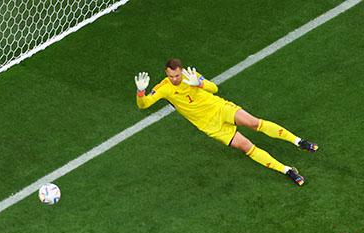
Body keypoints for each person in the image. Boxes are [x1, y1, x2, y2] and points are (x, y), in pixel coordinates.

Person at [134, 59, 317, 186]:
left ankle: (298, 142)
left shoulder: (191, 76)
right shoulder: (163, 88)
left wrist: (199, 83)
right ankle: (287, 171)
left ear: (181, 71)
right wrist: (141, 92)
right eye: (170, 76)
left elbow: (214, 88)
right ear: (166, 74)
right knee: (247, 147)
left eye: (176, 75)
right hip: (210, 126)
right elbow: (144, 105)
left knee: (254, 123)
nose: (174, 79)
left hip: (220, 108)